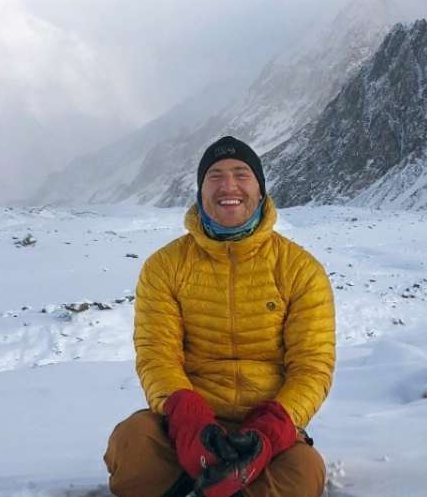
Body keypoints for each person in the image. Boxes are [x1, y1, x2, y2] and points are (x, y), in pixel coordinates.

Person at [104, 136, 336, 497]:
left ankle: (214, 481)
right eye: (215, 176)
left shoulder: (300, 269)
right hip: (185, 426)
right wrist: (187, 418)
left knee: (303, 472)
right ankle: (213, 480)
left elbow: (313, 366)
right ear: (200, 191)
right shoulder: (164, 267)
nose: (228, 186)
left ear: (260, 189)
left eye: (241, 174)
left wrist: (270, 430)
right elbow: (157, 356)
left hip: (266, 428)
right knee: (131, 444)